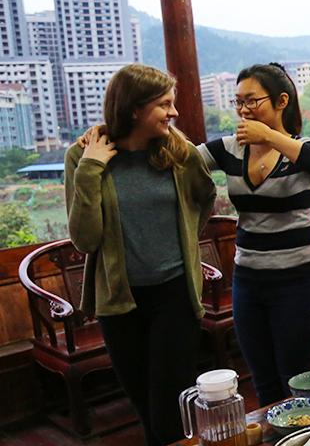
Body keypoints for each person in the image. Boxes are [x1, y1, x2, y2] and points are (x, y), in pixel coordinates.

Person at [65, 64, 216, 445]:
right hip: (119, 300)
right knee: (146, 406)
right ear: (134, 108)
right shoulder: (82, 156)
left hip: (175, 295)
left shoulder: (179, 152)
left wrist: (183, 244)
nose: (174, 112)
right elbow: (85, 239)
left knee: (170, 405)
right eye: (165, 104)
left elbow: (206, 197)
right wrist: (91, 169)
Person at [197, 63, 310, 406]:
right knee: (262, 378)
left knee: (296, 377)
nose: (243, 110)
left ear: (281, 101)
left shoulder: (300, 149)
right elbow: (182, 159)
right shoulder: (231, 149)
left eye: (251, 101)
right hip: (248, 281)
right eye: (238, 102)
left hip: (296, 282)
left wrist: (269, 136)